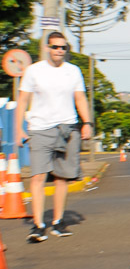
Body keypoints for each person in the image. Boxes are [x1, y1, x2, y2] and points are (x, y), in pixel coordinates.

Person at [14, 32, 92, 242]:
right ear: (48, 48)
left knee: (61, 178)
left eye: (63, 48)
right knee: (38, 176)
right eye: (55, 47)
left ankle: (57, 222)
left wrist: (87, 122)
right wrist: (19, 129)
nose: (59, 51)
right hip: (39, 128)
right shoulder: (34, 71)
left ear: (66, 50)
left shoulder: (73, 71)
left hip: (67, 128)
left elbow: (80, 98)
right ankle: (38, 225)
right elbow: (22, 101)